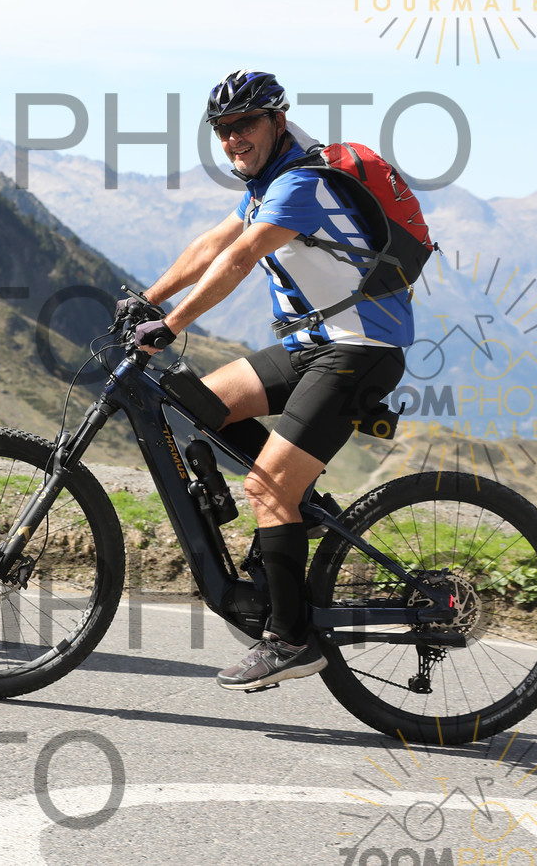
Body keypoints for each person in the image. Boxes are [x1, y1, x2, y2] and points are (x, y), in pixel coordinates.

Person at [128, 69, 413, 690]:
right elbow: (212, 244)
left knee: (265, 489)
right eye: (223, 129)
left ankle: (290, 640)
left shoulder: (301, 183)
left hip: (359, 350)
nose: (233, 138)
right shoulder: (268, 180)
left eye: (245, 124)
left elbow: (238, 258)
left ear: (277, 121)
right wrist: (148, 298)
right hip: (313, 347)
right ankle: (302, 510)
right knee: (199, 404)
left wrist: (170, 324)